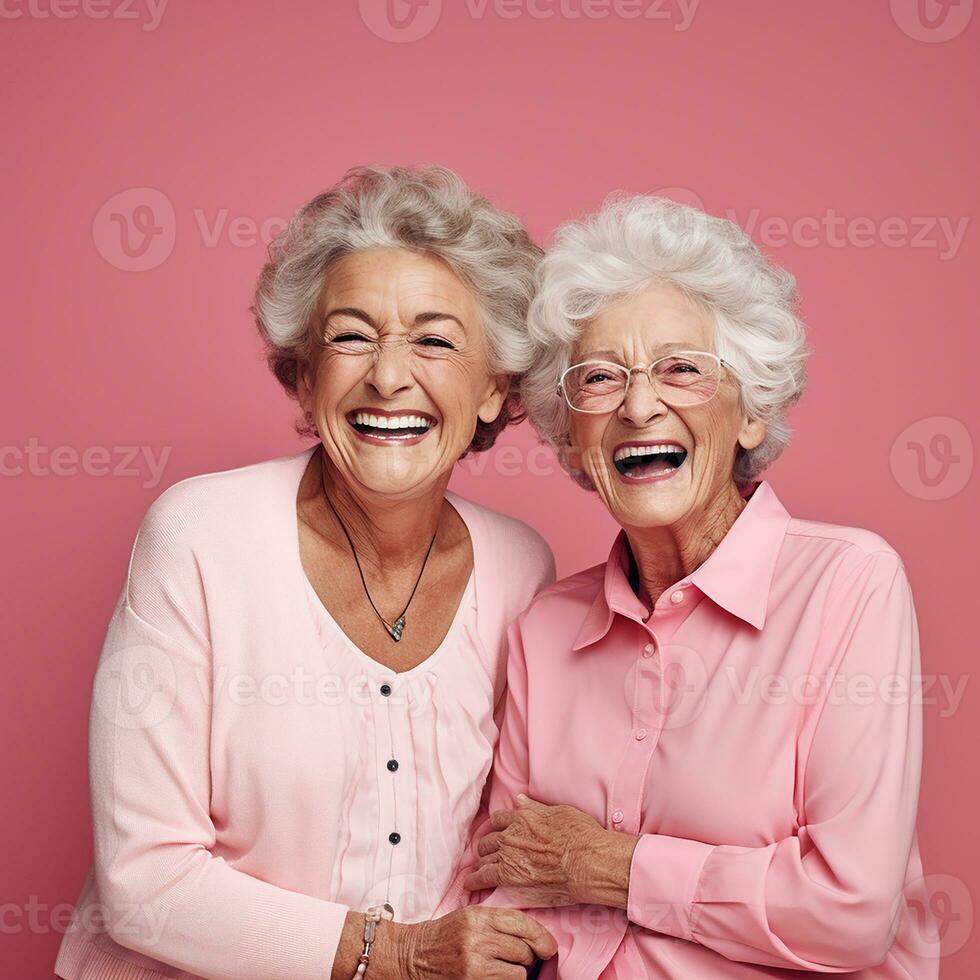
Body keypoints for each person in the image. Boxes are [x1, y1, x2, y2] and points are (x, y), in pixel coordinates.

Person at [55, 165, 558, 980]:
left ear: (496, 387)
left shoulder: (522, 567)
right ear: (302, 372)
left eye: (435, 340)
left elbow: (501, 844)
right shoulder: (200, 535)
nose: (389, 376)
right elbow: (142, 883)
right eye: (351, 335)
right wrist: (398, 955)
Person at [462, 194, 940, 978]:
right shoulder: (545, 627)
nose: (640, 405)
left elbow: (849, 913)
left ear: (750, 413)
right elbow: (507, 898)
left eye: (682, 369)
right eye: (601, 378)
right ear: (573, 440)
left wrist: (612, 867)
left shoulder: (849, 586)